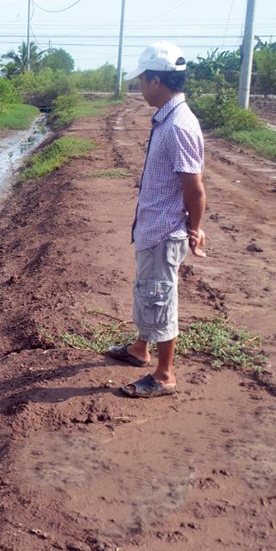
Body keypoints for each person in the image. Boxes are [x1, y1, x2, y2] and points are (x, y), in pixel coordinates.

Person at [107, 41, 207, 398]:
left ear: (155, 82)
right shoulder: (166, 118)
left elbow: (194, 188)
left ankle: (164, 375)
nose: (139, 87)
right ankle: (139, 349)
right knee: (149, 290)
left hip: (166, 231)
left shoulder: (179, 125)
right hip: (154, 227)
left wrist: (195, 229)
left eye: (141, 80)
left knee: (161, 296)